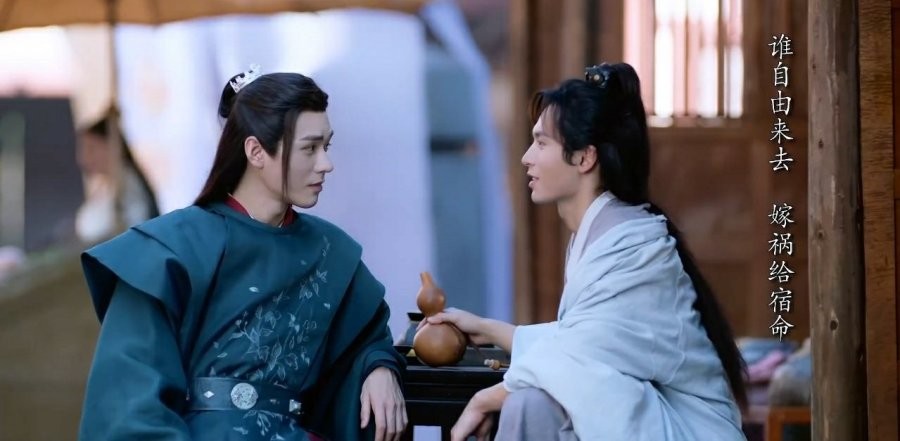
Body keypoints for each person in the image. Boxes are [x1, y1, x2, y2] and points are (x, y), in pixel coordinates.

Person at [78, 65, 407, 441]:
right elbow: (128, 396)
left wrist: (378, 367)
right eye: (309, 148)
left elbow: (367, 337)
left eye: (326, 147)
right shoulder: (172, 249)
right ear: (255, 151)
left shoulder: (331, 254)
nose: (326, 164)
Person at [426, 63, 748, 441]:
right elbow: (587, 342)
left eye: (541, 143)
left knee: (531, 402)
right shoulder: (603, 234)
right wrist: (488, 329)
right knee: (539, 395)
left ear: (584, 158)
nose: (527, 157)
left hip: (689, 428)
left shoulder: (635, 247)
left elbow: (584, 354)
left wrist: (488, 398)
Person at [75, 114, 160, 243]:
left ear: (112, 146)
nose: (84, 158)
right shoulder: (107, 186)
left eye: (92, 148)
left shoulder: (128, 185)